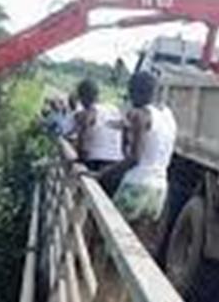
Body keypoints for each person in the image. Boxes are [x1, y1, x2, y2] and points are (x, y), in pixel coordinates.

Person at [96, 71, 176, 250]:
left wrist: (100, 174)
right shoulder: (168, 115)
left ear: (135, 91)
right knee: (133, 247)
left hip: (137, 186)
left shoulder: (140, 115)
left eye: (130, 91)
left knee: (105, 238)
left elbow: (133, 158)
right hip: (159, 192)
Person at [72, 79, 124, 194]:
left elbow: (84, 133)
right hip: (115, 165)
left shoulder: (90, 112)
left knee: (89, 203)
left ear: (82, 97)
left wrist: (80, 156)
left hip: (97, 163)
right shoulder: (114, 109)